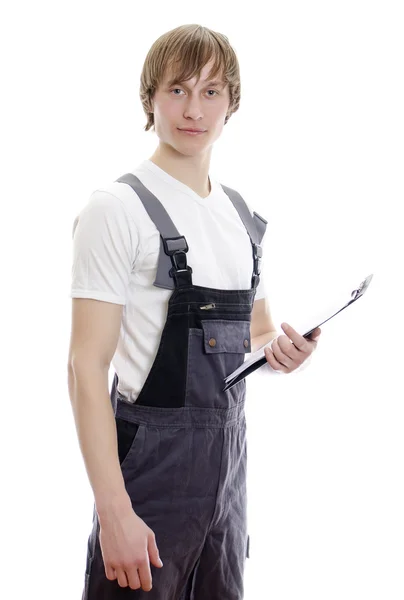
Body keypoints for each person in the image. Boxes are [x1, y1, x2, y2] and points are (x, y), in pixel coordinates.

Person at [68, 23, 321, 600]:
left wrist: (282, 352)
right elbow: (85, 368)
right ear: (149, 98)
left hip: (229, 477)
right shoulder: (118, 208)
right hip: (148, 477)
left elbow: (257, 333)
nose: (193, 109)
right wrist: (114, 513)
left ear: (231, 104)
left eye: (211, 92)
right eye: (177, 89)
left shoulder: (241, 215)